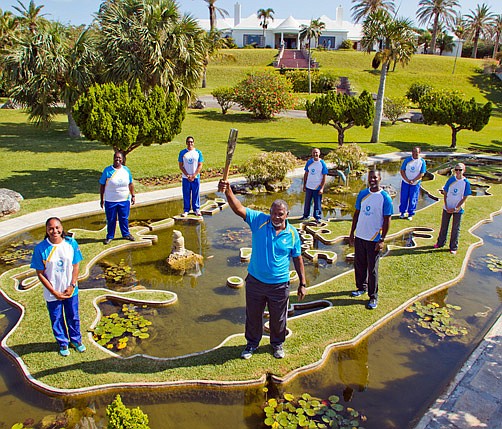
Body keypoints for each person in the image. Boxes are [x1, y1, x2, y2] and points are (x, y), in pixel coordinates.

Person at [218, 179, 307, 359]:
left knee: (278, 318)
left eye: (280, 214)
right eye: (273, 213)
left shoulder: (292, 233)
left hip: (279, 285)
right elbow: (238, 209)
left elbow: (297, 258)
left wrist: (302, 283)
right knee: (253, 316)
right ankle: (251, 344)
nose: (276, 217)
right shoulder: (259, 221)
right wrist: (228, 192)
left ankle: (277, 344)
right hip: (255, 282)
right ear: (270, 213)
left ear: (287, 214)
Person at [30, 217, 86, 356]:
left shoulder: (71, 243)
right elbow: (40, 273)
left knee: (73, 316)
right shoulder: (41, 248)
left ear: (61, 228)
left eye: (57, 228)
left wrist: (72, 285)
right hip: (52, 292)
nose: (54, 231)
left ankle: (76, 340)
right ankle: (63, 343)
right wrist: (54, 292)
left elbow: (76, 265)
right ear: (47, 230)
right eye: (51, 228)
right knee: (56, 318)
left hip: (70, 290)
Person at [349, 170, 393, 310]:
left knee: (372, 269)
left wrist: (382, 239)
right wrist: (352, 233)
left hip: (374, 239)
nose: (372, 180)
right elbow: (356, 214)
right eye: (370, 178)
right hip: (360, 236)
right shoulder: (362, 194)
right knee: (359, 264)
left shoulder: (385, 198)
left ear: (380, 178)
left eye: (375, 177)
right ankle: (361, 287)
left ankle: (373, 296)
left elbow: (387, 220)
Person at [434, 163, 471, 255]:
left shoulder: (466, 183)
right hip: (447, 207)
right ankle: (440, 243)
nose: (458, 172)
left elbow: (465, 197)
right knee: (444, 226)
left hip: (458, 209)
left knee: (455, 228)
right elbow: (445, 192)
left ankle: (453, 247)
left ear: (464, 170)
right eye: (456, 169)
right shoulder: (451, 180)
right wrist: (446, 205)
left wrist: (456, 207)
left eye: (460, 170)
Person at [99, 151, 135, 244]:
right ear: (113, 158)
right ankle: (110, 236)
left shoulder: (126, 170)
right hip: (111, 200)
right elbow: (102, 185)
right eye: (116, 157)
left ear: (122, 160)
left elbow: (130, 184)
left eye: (119, 158)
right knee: (111, 219)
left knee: (124, 218)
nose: (117, 159)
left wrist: (133, 195)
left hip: (124, 200)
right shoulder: (107, 170)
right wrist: (102, 198)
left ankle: (126, 234)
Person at [301, 148, 328, 224]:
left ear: (319, 153)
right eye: (314, 153)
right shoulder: (309, 162)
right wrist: (304, 185)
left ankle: (317, 217)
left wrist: (322, 188)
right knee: (307, 202)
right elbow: (306, 174)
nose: (315, 154)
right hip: (309, 186)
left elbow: (324, 176)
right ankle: (306, 215)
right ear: (312, 154)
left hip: (317, 187)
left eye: (316, 153)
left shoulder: (322, 163)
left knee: (317, 203)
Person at [399, 146, 426, 221]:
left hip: (415, 183)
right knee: (404, 198)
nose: (414, 153)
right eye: (413, 152)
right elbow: (402, 170)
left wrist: (414, 180)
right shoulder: (407, 160)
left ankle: (410, 213)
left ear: (419, 153)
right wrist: (407, 179)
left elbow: (422, 173)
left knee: (413, 198)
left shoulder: (422, 162)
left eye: (416, 152)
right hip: (405, 182)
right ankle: (402, 212)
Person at [178, 136, 204, 216]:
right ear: (186, 143)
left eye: (191, 142)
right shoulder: (182, 153)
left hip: (195, 178)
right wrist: (187, 175)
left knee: (195, 193)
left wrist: (194, 175)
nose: (190, 143)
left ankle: (196, 209)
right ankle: (186, 210)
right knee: (186, 193)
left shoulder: (198, 152)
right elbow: (181, 165)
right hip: (186, 178)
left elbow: (200, 165)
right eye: (188, 142)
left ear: (193, 143)